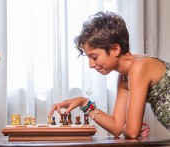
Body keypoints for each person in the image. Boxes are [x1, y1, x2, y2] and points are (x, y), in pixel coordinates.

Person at [50, 11, 170, 139]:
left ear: (115, 50)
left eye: (94, 57)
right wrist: (84, 103)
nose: (91, 65)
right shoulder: (125, 77)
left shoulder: (138, 67)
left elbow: (132, 132)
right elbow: (117, 127)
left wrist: (132, 127)